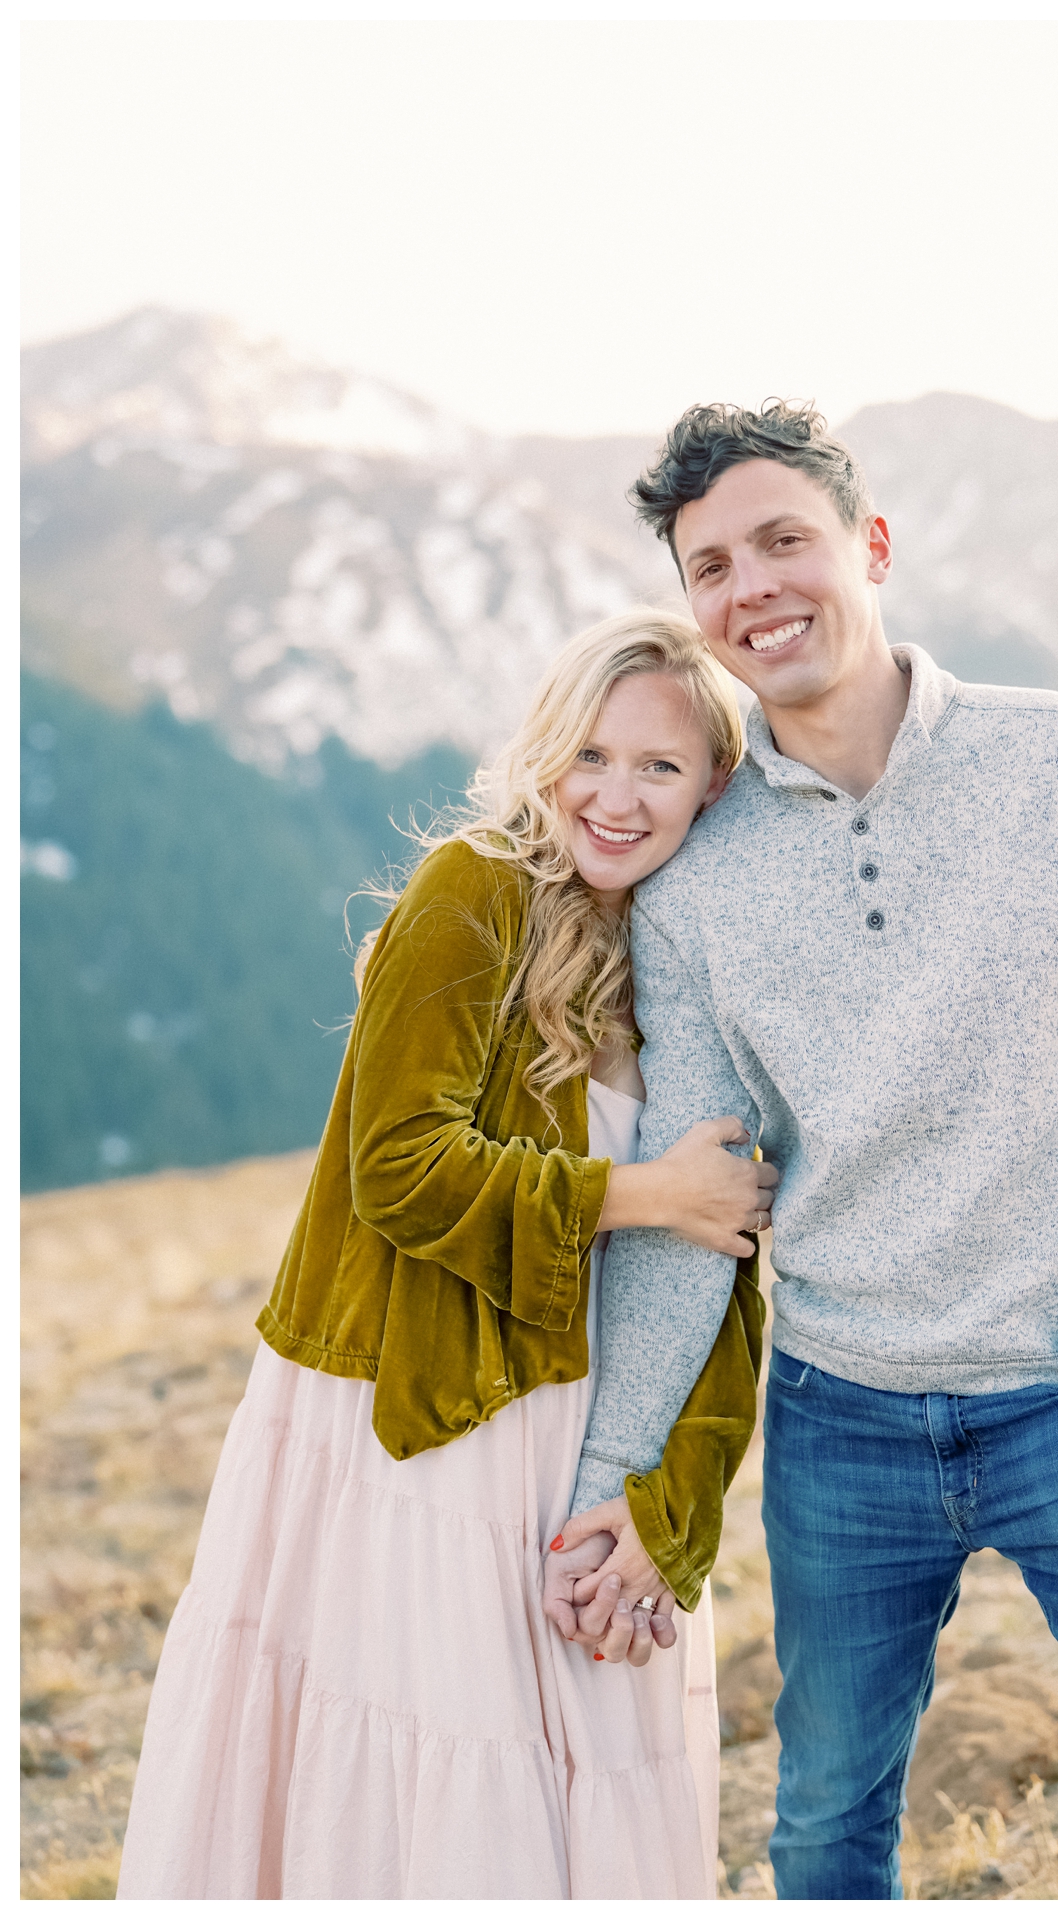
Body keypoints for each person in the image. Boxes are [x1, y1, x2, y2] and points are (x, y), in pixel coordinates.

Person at [553, 403, 1058, 1900]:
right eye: (711, 566)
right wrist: (616, 1474)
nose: (751, 585)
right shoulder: (697, 874)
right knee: (822, 1834)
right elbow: (699, 1203)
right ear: (697, 610)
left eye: (783, 540)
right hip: (843, 1421)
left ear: (869, 546)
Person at [116, 608, 779, 1901]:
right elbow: (402, 1166)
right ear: (544, 751)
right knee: (431, 1794)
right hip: (414, 1423)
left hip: (580, 1434)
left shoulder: (685, 962)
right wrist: (644, 1192)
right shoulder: (474, 889)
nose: (617, 796)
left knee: (569, 1787)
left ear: (715, 784)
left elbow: (721, 1264)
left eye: (660, 767)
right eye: (592, 753)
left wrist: (673, 1505)